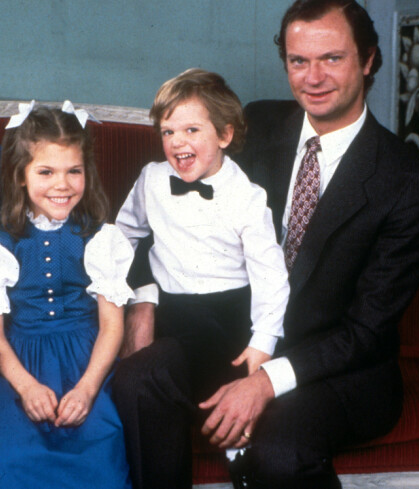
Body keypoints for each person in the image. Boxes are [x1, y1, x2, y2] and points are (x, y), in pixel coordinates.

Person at [197, 0, 419, 489]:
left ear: (368, 60)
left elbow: (366, 330)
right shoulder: (259, 124)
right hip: (244, 342)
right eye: (298, 61)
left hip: (343, 372)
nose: (313, 77)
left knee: (280, 453)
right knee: (141, 381)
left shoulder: (404, 179)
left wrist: (266, 382)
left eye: (332, 58)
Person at [112, 68, 289, 488]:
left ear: (225, 135)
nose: (177, 142)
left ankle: (239, 451)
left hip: (225, 320)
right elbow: (122, 235)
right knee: (139, 378)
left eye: (192, 129)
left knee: (216, 388)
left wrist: (262, 344)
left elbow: (271, 277)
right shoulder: (153, 179)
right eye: (168, 131)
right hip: (170, 312)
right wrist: (130, 293)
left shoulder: (247, 198)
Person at [0, 101, 133, 489]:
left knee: (100, 464)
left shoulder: (100, 238)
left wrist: (87, 389)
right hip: (21, 365)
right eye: (46, 172)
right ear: (20, 176)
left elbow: (112, 327)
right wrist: (26, 387)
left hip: (87, 364)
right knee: (17, 464)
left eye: (74, 171)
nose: (63, 184)